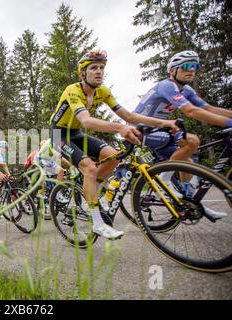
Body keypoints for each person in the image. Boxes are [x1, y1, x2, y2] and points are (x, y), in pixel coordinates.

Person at [49, 49, 178, 240]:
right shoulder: (73, 90)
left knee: (114, 157)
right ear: (82, 73)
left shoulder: (103, 92)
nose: (99, 71)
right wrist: (119, 128)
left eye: (101, 67)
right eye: (93, 68)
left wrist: (164, 123)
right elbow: (86, 121)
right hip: (58, 133)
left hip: (76, 133)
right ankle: (98, 223)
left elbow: (129, 116)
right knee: (90, 168)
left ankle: (88, 192)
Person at [134, 50, 232, 219]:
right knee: (192, 140)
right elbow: (191, 111)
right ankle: (164, 181)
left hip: (162, 129)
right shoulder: (167, 85)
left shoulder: (186, 90)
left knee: (188, 161)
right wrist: (229, 123)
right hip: (140, 128)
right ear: (172, 71)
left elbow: (208, 109)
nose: (191, 70)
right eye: (186, 66)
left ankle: (192, 202)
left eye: (194, 66)